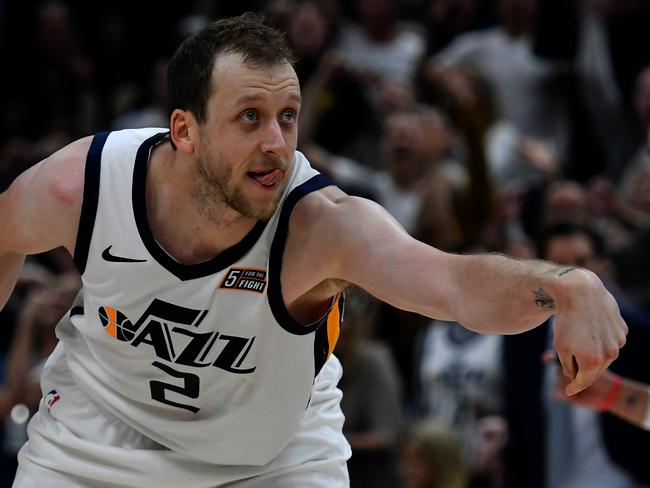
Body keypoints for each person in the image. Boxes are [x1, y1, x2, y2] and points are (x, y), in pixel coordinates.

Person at [0, 13, 627, 488]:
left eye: (289, 115)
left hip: (269, 457)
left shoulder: (322, 225)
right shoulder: (81, 185)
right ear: (184, 130)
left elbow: (454, 285)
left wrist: (569, 284)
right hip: (96, 438)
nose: (277, 142)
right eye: (250, 116)